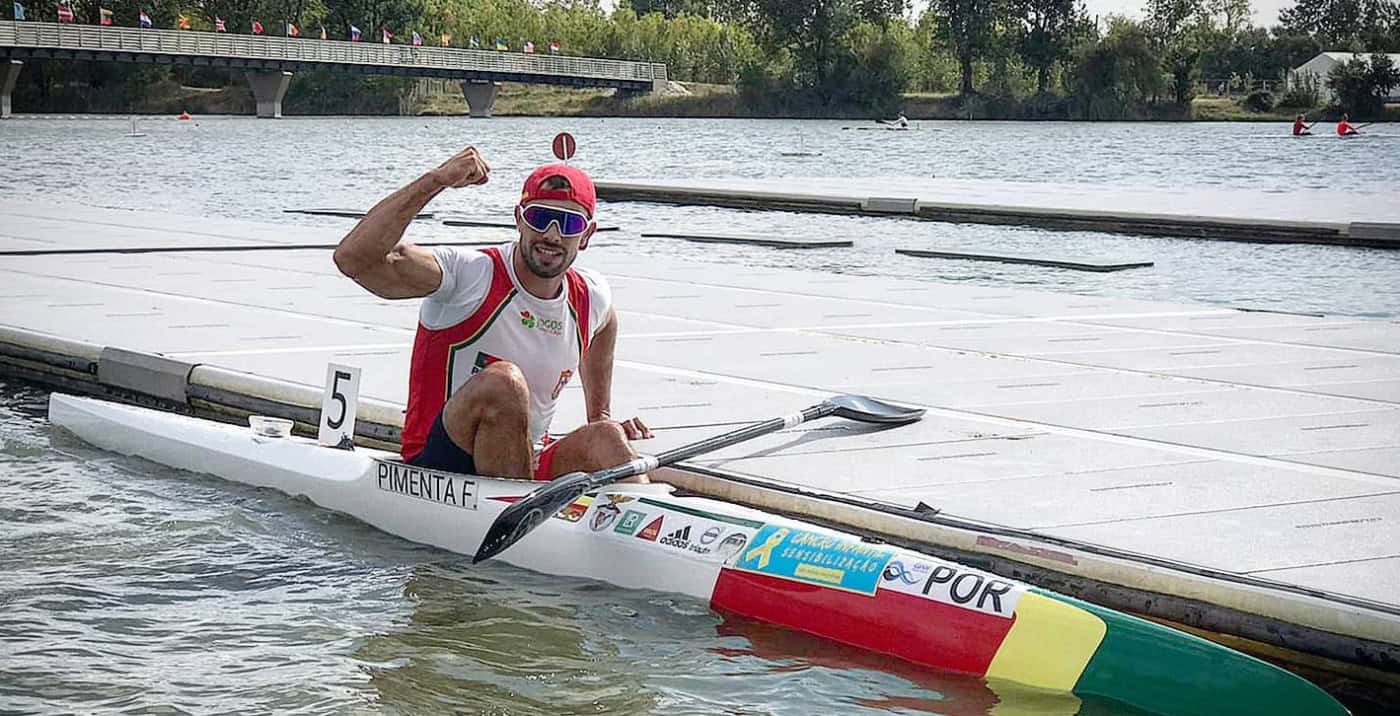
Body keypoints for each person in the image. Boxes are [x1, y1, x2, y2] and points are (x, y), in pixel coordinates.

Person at [333, 146, 653, 481]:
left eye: (569, 223)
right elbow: (352, 259)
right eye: (540, 218)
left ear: (586, 236)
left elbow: (606, 323)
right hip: (440, 465)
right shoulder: (469, 274)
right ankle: (521, 501)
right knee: (504, 383)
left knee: (606, 436)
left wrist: (599, 414)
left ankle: (643, 509)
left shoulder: (591, 296)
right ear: (519, 220)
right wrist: (435, 181)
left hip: (524, 461)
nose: (552, 234)